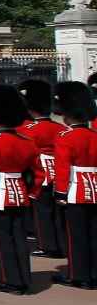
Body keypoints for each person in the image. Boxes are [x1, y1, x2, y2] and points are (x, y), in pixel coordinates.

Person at [0, 84, 38, 295]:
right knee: (19, 236)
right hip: (20, 194)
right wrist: (31, 193)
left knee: (2, 238)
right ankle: (23, 279)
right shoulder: (27, 141)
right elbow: (37, 173)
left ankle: (8, 279)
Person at [52, 80, 97, 289]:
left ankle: (79, 275)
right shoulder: (94, 136)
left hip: (75, 190)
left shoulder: (65, 136)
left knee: (76, 236)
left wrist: (60, 193)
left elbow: (63, 168)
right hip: (95, 190)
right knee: (94, 234)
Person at [17, 79, 66, 260]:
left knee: (42, 211)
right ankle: (60, 243)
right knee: (57, 211)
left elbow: (27, 153)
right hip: (58, 170)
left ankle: (46, 245)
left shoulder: (30, 129)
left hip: (40, 171)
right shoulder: (60, 127)